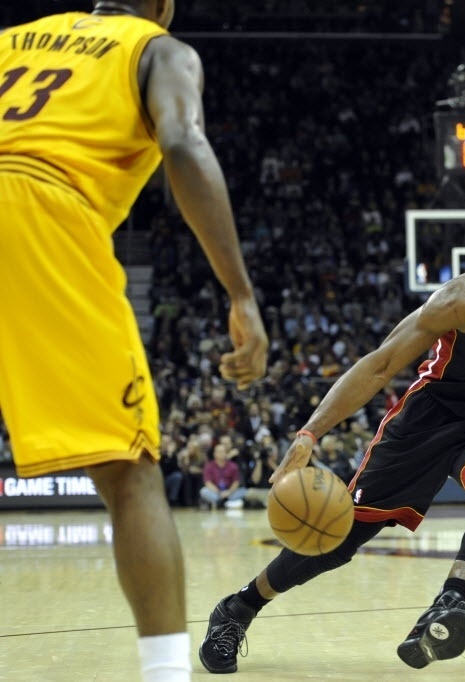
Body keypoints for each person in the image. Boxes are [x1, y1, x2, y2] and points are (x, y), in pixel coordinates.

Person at [198, 207, 465, 673]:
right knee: (338, 539)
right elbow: (381, 364)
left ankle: (450, 602)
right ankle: (238, 609)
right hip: (429, 420)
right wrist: (310, 432)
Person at [0, 2, 268, 680]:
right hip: (37, 210)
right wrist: (240, 294)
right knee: (130, 473)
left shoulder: (12, 40)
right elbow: (183, 142)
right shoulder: (156, 49)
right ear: (165, 6)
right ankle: (166, 675)